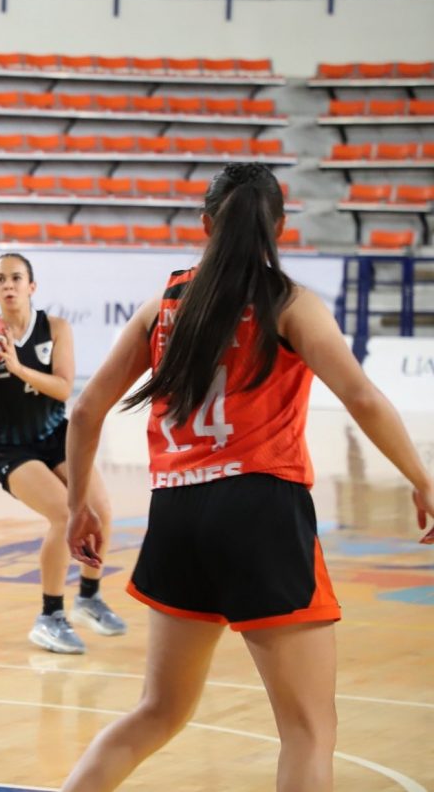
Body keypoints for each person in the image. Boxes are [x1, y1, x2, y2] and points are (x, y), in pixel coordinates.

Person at [60, 164, 434, 792]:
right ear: (279, 228)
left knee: (159, 711)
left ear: (206, 223)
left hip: (176, 513)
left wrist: (79, 505)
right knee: (309, 731)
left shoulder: (162, 305)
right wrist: (422, 479)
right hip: (261, 509)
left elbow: (85, 411)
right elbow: (363, 397)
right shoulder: (288, 302)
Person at [0, 253, 125, 655]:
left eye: (16, 278)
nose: (9, 285)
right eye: (1, 279)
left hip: (56, 436)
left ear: (31, 286)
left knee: (100, 510)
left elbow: (64, 388)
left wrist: (18, 368)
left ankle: (88, 597)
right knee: (65, 515)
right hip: (10, 447)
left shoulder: (55, 328)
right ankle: (49, 617)